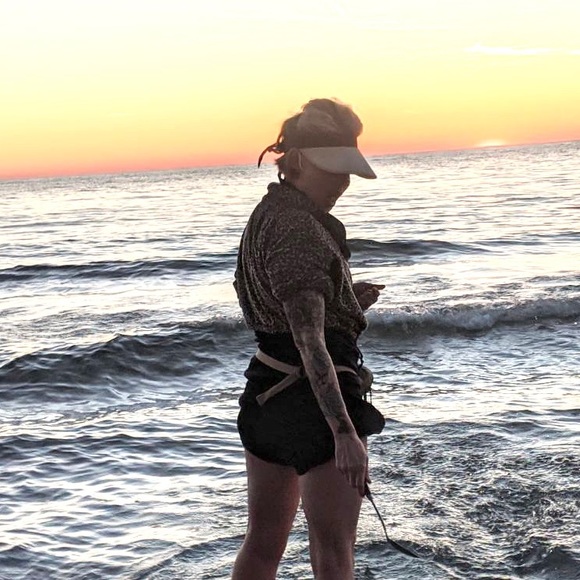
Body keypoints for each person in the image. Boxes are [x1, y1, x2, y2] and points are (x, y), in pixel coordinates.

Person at [232, 98, 386, 580]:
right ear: (297, 160)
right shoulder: (299, 230)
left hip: (265, 395)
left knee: (263, 543)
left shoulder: (268, 213)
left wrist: (344, 304)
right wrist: (344, 434)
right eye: (332, 170)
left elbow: (279, 313)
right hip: (315, 403)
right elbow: (310, 343)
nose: (342, 182)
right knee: (334, 550)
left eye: (347, 171)